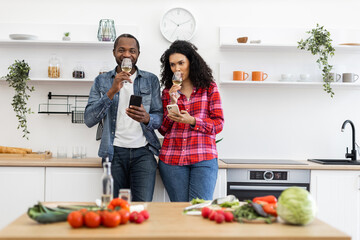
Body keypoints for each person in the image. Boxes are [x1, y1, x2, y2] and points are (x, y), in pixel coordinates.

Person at [84, 33, 163, 201]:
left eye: (132, 51)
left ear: (138, 54)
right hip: (113, 153)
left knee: (141, 207)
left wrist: (147, 118)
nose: (127, 55)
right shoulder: (101, 81)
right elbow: (89, 119)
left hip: (143, 153)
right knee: (114, 208)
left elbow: (160, 118)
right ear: (114, 52)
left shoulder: (151, 80)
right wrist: (112, 91)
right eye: (121, 50)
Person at [158, 40, 224, 202]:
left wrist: (193, 120)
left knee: (200, 209)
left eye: (181, 63)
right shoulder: (168, 91)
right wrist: (172, 103)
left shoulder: (209, 88)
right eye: (172, 65)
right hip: (172, 159)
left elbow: (218, 123)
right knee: (179, 211)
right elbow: (163, 129)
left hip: (203, 157)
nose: (177, 68)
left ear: (191, 62)